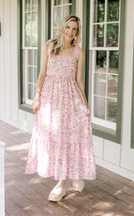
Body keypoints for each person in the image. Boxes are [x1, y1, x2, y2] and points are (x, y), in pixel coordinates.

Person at [25, 15, 96, 202]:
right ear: (62, 27)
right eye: (68, 27)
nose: (70, 32)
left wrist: (85, 104)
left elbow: (78, 79)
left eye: (74, 29)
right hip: (50, 98)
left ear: (77, 32)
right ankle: (73, 174)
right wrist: (36, 98)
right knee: (54, 137)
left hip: (70, 98)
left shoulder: (78, 52)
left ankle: (62, 183)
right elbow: (42, 73)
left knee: (68, 137)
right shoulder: (49, 47)